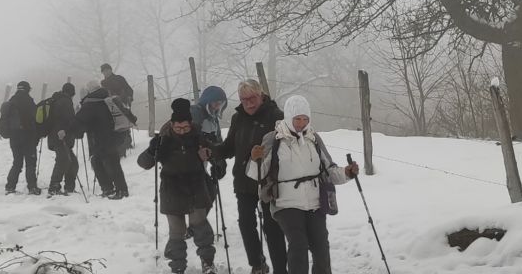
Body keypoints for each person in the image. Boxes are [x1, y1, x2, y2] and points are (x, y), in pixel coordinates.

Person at [247, 95, 359, 274]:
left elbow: (329, 169)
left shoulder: (313, 139)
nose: (301, 123)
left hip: (315, 202)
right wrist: (255, 160)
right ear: (289, 117)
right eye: (297, 119)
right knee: (298, 245)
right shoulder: (273, 139)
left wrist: (347, 173)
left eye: (305, 119)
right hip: (286, 203)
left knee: (321, 247)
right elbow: (256, 174)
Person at [140, 99, 226, 274]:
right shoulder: (163, 140)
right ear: (172, 125)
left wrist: (213, 159)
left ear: (190, 124)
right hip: (171, 188)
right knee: (177, 230)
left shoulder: (199, 137)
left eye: (185, 128)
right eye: (178, 128)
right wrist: (151, 151)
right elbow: (143, 163)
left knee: (199, 224)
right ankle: (178, 267)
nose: (181, 131)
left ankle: (207, 262)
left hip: (196, 185)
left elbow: (217, 155)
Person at [214, 80, 288, 274]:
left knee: (272, 228)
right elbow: (230, 147)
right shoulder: (238, 118)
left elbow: (286, 149)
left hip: (269, 181)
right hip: (244, 181)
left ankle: (281, 269)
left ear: (261, 95)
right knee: (246, 223)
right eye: (243, 99)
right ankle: (257, 264)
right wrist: (210, 151)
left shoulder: (276, 116)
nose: (248, 103)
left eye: (252, 98)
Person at [78, 85, 134, 199]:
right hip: (114, 135)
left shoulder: (92, 103)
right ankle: (109, 188)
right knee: (98, 160)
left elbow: (80, 120)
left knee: (112, 162)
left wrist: (73, 131)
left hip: (106, 137)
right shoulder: (106, 99)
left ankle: (120, 190)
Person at [0, 81, 42, 195]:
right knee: (30, 163)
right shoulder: (29, 102)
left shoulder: (11, 101)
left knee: (17, 162)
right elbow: (35, 120)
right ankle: (32, 187)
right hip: (28, 137)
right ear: (28, 89)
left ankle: (10, 186)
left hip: (14, 137)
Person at [45, 83, 81, 195]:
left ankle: (68, 187)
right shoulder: (65, 101)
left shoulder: (56, 100)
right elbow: (67, 119)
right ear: (72, 92)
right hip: (61, 137)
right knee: (64, 160)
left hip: (56, 136)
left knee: (72, 162)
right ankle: (54, 187)